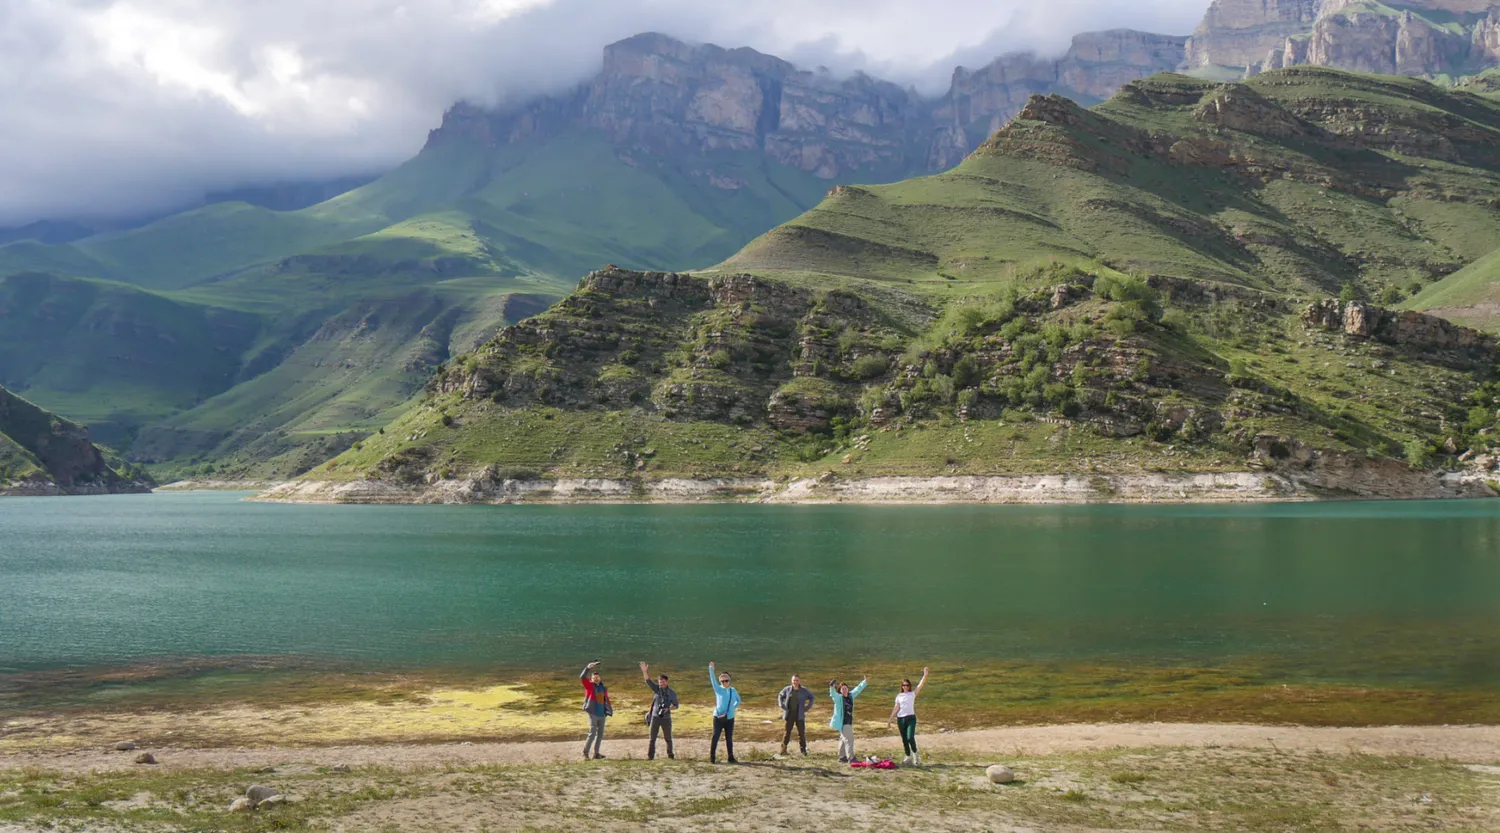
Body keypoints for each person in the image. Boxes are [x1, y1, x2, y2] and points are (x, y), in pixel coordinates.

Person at [887, 666, 929, 765]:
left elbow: (920, 685)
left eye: (906, 685)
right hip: (900, 719)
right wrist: (890, 720)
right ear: (901, 686)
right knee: (904, 739)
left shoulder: (912, 694)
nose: (905, 686)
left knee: (910, 737)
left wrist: (925, 675)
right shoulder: (899, 696)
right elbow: (896, 708)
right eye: (903, 685)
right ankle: (908, 756)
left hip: (911, 718)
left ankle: (915, 755)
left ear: (909, 686)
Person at [639, 661, 679, 760]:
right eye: (660, 682)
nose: (661, 684)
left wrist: (668, 709)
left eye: (663, 682)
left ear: (667, 681)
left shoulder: (672, 693)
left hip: (666, 718)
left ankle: (670, 755)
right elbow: (648, 681)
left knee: (668, 739)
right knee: (652, 739)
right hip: (655, 717)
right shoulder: (657, 689)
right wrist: (645, 671)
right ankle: (650, 756)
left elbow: (676, 705)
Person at [827, 676, 868, 763]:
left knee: (843, 739)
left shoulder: (851, 695)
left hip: (849, 721)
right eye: (842, 689)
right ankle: (851, 758)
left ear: (848, 689)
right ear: (840, 691)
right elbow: (832, 694)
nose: (845, 690)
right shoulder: (838, 698)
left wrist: (864, 682)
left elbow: (858, 689)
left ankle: (842, 757)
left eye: (845, 688)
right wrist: (832, 687)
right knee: (849, 739)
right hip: (843, 722)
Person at [707, 661, 741, 764]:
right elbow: (712, 680)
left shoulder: (733, 690)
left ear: (729, 681)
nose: (725, 683)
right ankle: (712, 758)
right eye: (722, 681)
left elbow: (738, 701)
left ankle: (730, 757)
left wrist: (732, 708)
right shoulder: (718, 689)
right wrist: (711, 669)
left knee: (729, 738)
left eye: (726, 681)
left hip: (730, 718)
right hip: (718, 717)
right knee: (715, 736)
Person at [579, 661, 613, 760]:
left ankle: (596, 754)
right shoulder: (589, 686)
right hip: (593, 713)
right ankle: (585, 753)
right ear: (592, 679)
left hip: (602, 714)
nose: (596, 679)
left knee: (600, 735)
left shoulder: (603, 688)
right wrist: (587, 668)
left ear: (600, 678)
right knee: (592, 734)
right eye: (594, 678)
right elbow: (582, 677)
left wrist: (608, 710)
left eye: (598, 678)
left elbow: (606, 700)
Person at [777, 674, 816, 756]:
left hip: (800, 715)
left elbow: (812, 697)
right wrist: (782, 705)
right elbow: (780, 696)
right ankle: (783, 750)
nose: (795, 682)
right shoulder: (787, 689)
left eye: (797, 680)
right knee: (787, 732)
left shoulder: (804, 690)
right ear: (792, 681)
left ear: (799, 681)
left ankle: (803, 751)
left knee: (801, 733)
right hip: (789, 714)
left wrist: (808, 707)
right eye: (794, 680)